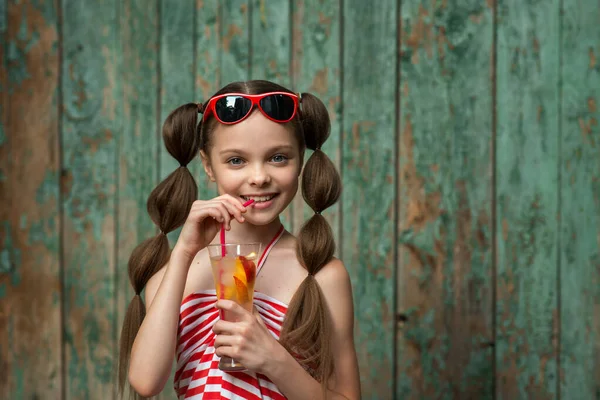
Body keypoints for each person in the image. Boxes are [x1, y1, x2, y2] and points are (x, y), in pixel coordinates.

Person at [119, 80, 360, 399]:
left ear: (300, 159)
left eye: (278, 158)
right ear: (208, 166)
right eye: (236, 160)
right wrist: (184, 252)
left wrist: (273, 359)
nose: (259, 177)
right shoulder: (176, 270)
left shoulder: (321, 274)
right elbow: (145, 382)